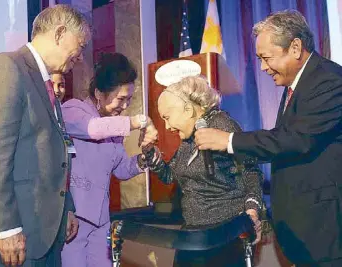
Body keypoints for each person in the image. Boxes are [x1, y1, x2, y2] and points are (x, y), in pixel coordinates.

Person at [195, 10, 342, 267]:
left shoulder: (329, 80)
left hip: (325, 231)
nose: (263, 67)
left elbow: (295, 139)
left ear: (295, 47)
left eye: (266, 58)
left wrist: (229, 141)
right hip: (303, 234)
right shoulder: (296, 85)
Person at [0, 4, 91, 267]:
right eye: (80, 45)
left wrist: (66, 209)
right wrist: (5, 228)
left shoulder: (45, 82)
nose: (81, 56)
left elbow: (55, 151)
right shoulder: (4, 67)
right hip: (12, 239)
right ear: (60, 33)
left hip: (44, 236)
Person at [143, 75, 263, 267]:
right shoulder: (187, 140)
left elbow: (251, 170)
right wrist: (150, 153)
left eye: (167, 117)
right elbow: (168, 176)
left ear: (188, 110)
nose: (167, 126)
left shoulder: (222, 125)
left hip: (225, 234)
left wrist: (253, 209)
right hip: (193, 234)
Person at [60, 52, 158, 267]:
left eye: (129, 100)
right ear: (98, 93)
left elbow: (121, 169)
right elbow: (93, 129)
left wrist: (144, 158)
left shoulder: (114, 128)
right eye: (121, 99)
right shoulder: (73, 110)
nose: (125, 106)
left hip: (101, 220)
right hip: (73, 218)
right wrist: (139, 121)